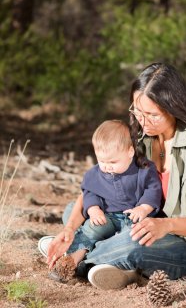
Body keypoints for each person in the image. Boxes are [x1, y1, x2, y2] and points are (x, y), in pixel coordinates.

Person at [40, 62, 186, 291]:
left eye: (152, 114)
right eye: (137, 111)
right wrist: (69, 229)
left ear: (174, 108)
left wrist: (166, 225)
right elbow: (97, 187)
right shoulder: (140, 140)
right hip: (142, 225)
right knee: (75, 209)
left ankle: (78, 257)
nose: (142, 120)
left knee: (132, 243)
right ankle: (116, 265)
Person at [39, 119, 161, 281]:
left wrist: (144, 208)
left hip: (134, 219)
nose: (107, 166)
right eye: (102, 161)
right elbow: (90, 193)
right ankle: (72, 259)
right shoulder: (95, 174)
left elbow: (153, 189)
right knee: (88, 225)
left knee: (131, 238)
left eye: (112, 162)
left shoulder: (144, 169)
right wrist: (93, 209)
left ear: (130, 152)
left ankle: (98, 262)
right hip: (107, 216)